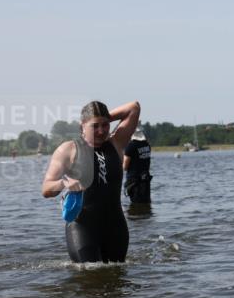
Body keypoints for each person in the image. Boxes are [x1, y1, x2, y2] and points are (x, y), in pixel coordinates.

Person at [41, 100, 141, 262]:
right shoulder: (68, 149)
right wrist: (63, 183)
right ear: (82, 126)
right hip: (82, 228)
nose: (101, 131)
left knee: (117, 274)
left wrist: (102, 117)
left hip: (116, 227)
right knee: (89, 273)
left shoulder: (116, 142)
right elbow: (46, 189)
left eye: (105, 125)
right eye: (95, 126)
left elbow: (133, 107)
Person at [123, 127, 153, 204]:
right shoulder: (147, 145)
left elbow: (125, 167)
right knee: (146, 203)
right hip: (145, 180)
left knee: (136, 204)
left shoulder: (131, 146)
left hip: (134, 181)